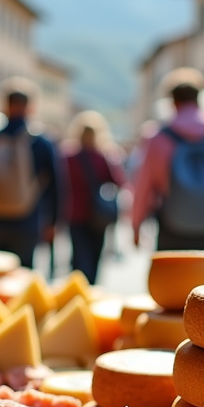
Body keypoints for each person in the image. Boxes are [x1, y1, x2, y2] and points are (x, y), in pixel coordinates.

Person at [131, 68, 204, 251]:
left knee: (174, 278)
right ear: (200, 97)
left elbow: (143, 186)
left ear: (172, 101)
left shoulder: (158, 136)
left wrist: (136, 224)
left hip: (172, 226)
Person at [0, 81, 62, 268]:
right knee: (23, 274)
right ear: (30, 107)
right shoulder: (41, 142)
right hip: (28, 219)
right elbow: (56, 185)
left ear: (5, 106)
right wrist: (54, 222)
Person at [64, 111, 125, 284]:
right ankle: (91, 288)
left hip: (75, 212)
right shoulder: (104, 156)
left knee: (78, 255)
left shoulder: (69, 156)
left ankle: (78, 290)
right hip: (98, 214)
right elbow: (118, 181)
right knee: (95, 255)